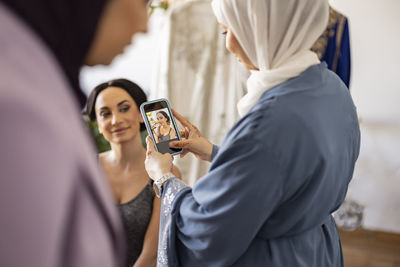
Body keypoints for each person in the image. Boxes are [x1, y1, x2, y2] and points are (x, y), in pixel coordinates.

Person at [144, 0, 361, 266]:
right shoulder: (331, 88)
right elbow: (288, 170)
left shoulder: (269, 121)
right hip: (317, 248)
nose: (228, 45)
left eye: (229, 31)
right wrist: (214, 151)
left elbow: (207, 228)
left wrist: (164, 179)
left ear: (263, 28)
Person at [0, 0, 149, 266]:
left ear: (140, 115)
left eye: (125, 109)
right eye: (142, 2)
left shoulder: (37, 76)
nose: (144, 26)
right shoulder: (15, 105)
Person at [86, 79, 181, 267]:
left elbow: (152, 255)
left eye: (124, 109)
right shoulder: (87, 169)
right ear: (97, 123)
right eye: (105, 114)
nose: (116, 120)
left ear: (141, 115)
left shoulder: (165, 173)